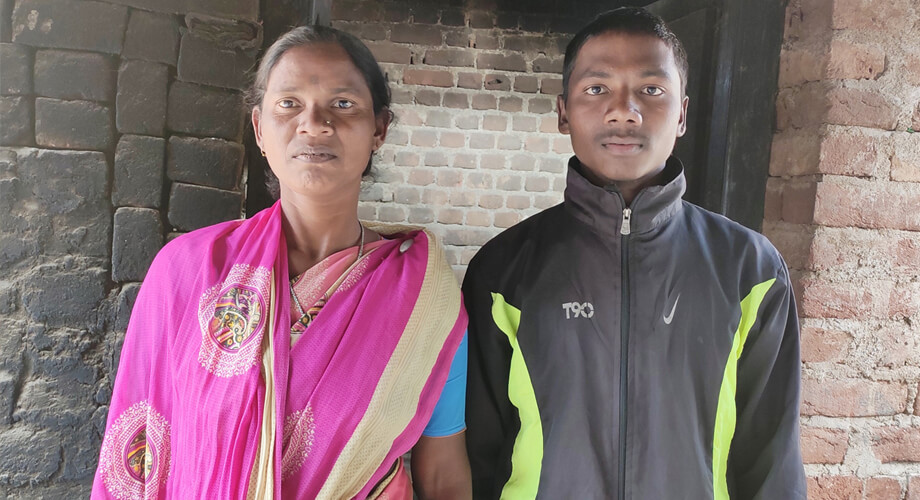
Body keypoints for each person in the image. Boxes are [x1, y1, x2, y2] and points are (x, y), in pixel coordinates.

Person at [93, 25, 472, 499]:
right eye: (289, 104)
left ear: (380, 129)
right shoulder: (186, 272)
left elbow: (442, 476)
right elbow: (142, 448)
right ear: (259, 129)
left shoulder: (423, 301)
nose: (315, 123)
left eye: (344, 103)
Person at [463, 7, 806, 499]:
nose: (624, 111)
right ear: (563, 112)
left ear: (683, 113)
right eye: (597, 89)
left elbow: (772, 462)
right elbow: (478, 454)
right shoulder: (503, 271)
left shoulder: (749, 270)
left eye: (651, 90)